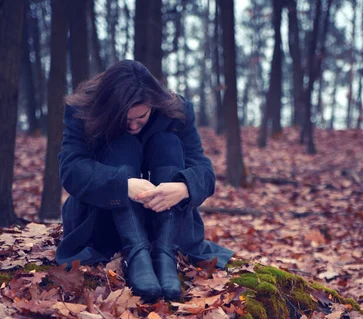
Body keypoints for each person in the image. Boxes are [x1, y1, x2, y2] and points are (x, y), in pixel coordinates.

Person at [56, 59, 234, 301]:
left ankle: (164, 255)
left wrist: (183, 188)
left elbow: (204, 169)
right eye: (125, 119)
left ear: (153, 104)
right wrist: (123, 185)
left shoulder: (176, 111)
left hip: (163, 223)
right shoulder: (83, 110)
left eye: (141, 117)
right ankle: (136, 254)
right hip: (102, 222)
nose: (133, 125)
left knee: (167, 143)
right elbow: (70, 170)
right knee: (121, 143)